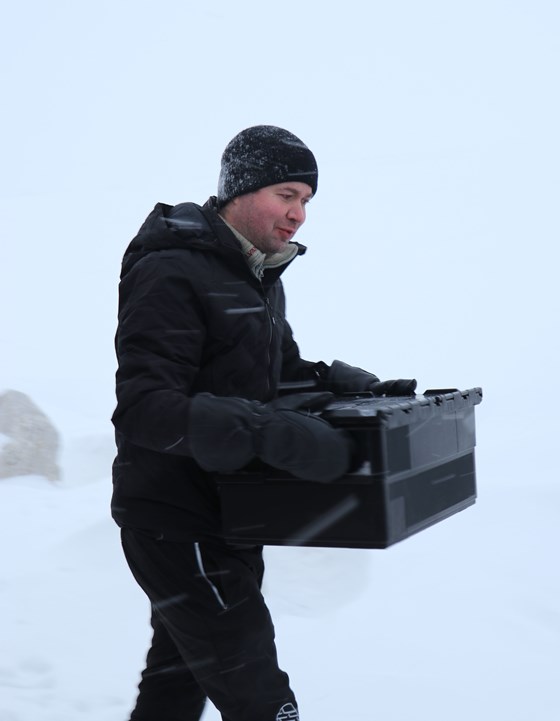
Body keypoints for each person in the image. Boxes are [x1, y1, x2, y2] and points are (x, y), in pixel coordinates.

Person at [111, 125, 416, 721]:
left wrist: (337, 381)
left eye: (306, 200)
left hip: (231, 514)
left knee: (176, 680)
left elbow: (276, 374)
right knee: (260, 697)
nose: (299, 213)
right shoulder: (172, 270)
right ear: (241, 189)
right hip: (177, 519)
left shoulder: (256, 276)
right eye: (287, 194)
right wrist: (263, 431)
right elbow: (145, 407)